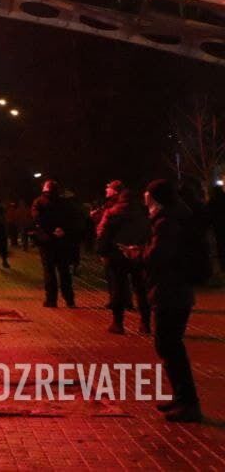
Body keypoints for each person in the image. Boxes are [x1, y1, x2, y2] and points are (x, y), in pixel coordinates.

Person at [122, 180, 201, 422]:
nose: (144, 199)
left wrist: (137, 254)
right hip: (174, 290)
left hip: (171, 291)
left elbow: (159, 256)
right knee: (169, 345)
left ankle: (188, 403)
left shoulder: (166, 222)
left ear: (155, 198)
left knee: (168, 345)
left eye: (147, 195)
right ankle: (182, 398)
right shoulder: (174, 217)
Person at [96, 181, 150, 334]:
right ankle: (145, 323)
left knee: (118, 289)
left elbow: (104, 234)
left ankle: (118, 323)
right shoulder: (143, 213)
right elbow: (150, 232)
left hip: (116, 254)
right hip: (139, 254)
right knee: (141, 289)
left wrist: (102, 252)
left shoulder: (113, 212)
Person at [32, 180, 77, 307]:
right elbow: (72, 218)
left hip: (47, 241)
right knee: (64, 271)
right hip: (62, 239)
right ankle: (69, 299)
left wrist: (50, 230)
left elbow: (37, 219)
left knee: (49, 271)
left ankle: (51, 299)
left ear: (44, 189)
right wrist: (62, 229)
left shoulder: (39, 202)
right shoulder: (64, 202)